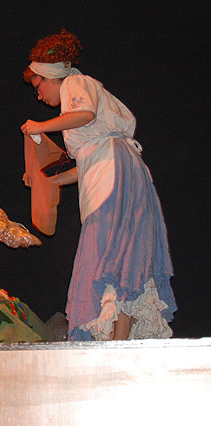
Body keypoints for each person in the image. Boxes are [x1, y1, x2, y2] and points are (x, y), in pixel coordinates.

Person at [20, 30, 176, 341]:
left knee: (108, 254)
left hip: (113, 175)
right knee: (121, 259)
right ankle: (117, 341)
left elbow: (85, 114)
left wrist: (39, 126)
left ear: (51, 76)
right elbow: (85, 165)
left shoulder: (77, 83)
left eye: (38, 85)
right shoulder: (92, 135)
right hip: (114, 172)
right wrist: (45, 180)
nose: (38, 95)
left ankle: (114, 344)